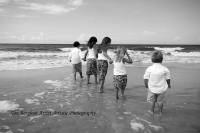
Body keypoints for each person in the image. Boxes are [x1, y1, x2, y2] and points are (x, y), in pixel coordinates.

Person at [143, 50, 171, 114]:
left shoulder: (149, 68)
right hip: (162, 88)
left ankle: (152, 111)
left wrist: (146, 85)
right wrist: (169, 85)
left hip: (152, 88)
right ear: (162, 59)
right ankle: (160, 112)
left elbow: (145, 78)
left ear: (152, 59)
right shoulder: (165, 69)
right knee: (160, 101)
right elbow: (168, 79)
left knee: (152, 101)